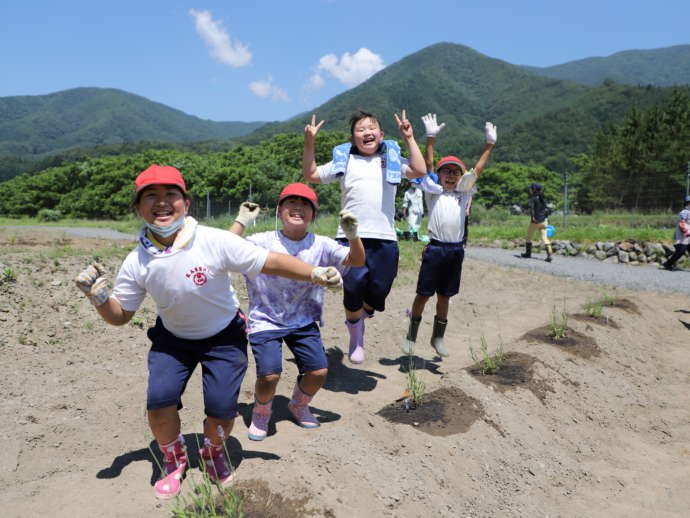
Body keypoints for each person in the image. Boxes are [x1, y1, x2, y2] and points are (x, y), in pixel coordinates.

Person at [73, 165, 343, 500]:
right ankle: (172, 461)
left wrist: (315, 272)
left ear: (186, 203)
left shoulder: (214, 240)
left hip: (223, 338)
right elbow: (121, 315)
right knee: (158, 403)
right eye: (151, 197)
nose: (161, 203)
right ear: (138, 207)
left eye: (170, 195)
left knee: (221, 411)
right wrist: (98, 296)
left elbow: (267, 260)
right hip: (173, 342)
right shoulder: (136, 260)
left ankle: (213, 453)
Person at [228, 183, 365, 441]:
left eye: (305, 205)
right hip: (265, 319)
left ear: (314, 215)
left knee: (318, 372)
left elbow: (356, 261)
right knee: (269, 375)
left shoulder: (322, 245)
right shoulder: (261, 241)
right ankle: (261, 411)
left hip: (303, 320)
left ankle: (299, 405)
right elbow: (225, 247)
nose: (298, 208)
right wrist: (242, 220)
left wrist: (353, 235)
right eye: (291, 203)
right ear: (280, 211)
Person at [302, 110, 427, 363]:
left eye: (372, 128)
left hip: (385, 238)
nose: (367, 132)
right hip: (350, 237)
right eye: (360, 129)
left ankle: (359, 319)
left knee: (380, 288)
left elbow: (419, 170)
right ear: (353, 138)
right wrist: (309, 143)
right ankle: (356, 334)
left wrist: (409, 138)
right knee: (353, 285)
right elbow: (311, 175)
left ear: (381, 135)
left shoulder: (392, 160)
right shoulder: (344, 161)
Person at [402, 114, 497, 357]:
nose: (452, 175)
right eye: (448, 171)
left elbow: (477, 170)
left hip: (455, 251)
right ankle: (411, 337)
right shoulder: (434, 192)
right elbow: (429, 166)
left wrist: (489, 146)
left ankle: (438, 337)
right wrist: (430, 139)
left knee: (445, 296)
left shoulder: (464, 193)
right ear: (441, 175)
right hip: (435, 248)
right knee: (423, 294)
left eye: (456, 172)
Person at [521, 182, 554, 262]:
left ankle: (528, 254)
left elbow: (532, 209)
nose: (530, 190)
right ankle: (549, 254)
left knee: (528, 237)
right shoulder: (543, 198)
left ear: (534, 189)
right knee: (544, 238)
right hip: (544, 221)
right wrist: (546, 219)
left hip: (536, 221)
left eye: (531, 188)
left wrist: (532, 217)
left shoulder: (533, 198)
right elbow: (546, 209)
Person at [663, 195, 690, 271]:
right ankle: (668, 264)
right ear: (686, 204)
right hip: (683, 235)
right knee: (681, 251)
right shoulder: (684, 212)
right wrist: (685, 232)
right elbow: (681, 223)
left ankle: (668, 263)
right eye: (689, 203)